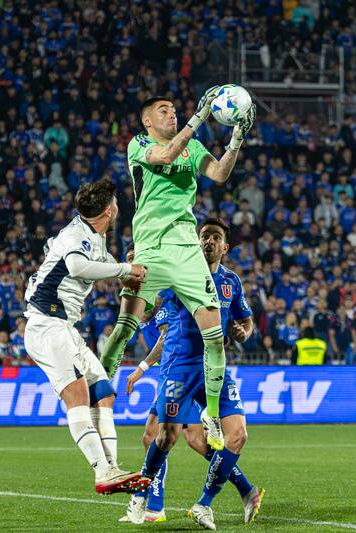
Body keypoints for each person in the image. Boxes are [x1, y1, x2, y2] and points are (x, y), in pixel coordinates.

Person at [99, 91, 257, 452]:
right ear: (148, 121)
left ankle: (212, 414)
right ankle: (100, 400)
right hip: (151, 249)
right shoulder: (138, 145)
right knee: (124, 327)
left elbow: (219, 173)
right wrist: (200, 116)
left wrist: (236, 138)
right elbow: (167, 154)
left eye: (173, 110)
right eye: (163, 111)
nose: (172, 114)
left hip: (187, 252)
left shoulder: (193, 147)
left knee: (214, 336)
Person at [122, 218, 262, 529]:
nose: (209, 241)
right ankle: (142, 495)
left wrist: (244, 331)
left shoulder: (231, 282)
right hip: (179, 367)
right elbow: (150, 310)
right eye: (204, 236)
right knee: (166, 437)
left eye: (216, 237)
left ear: (225, 247)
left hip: (214, 367)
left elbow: (245, 319)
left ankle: (204, 505)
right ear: (197, 242)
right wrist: (137, 282)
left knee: (237, 435)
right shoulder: (178, 274)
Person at [22, 179, 147, 496]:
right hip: (47, 324)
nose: (118, 206)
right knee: (77, 395)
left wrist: (125, 269)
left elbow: (94, 261)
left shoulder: (92, 236)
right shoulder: (77, 234)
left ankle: (112, 467)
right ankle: (103, 471)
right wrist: (125, 270)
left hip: (64, 327)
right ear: (109, 211)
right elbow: (77, 266)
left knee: (103, 392)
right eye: (115, 202)